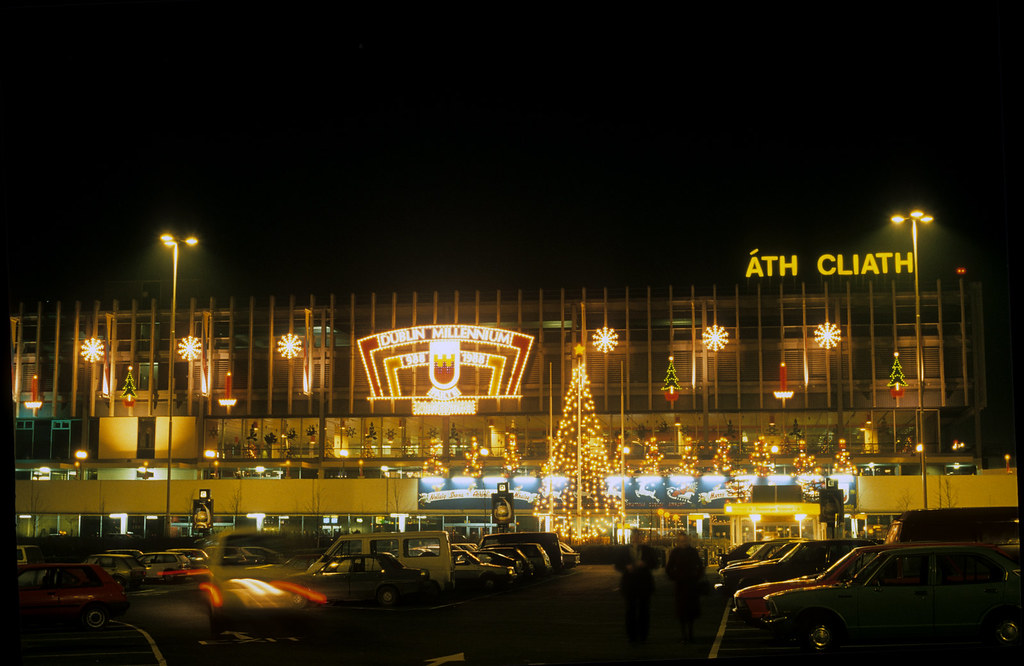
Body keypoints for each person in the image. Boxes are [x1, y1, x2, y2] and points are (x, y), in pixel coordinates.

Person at [614, 530, 660, 643]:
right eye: (634, 536)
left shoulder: (648, 550)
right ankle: (632, 635)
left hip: (644, 584)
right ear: (631, 537)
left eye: (638, 536)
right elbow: (617, 565)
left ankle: (643, 635)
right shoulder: (624, 551)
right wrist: (626, 567)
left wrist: (645, 564)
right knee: (631, 610)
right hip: (630, 584)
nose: (636, 538)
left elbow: (655, 564)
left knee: (644, 610)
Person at [665, 533, 705, 643]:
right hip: (681, 585)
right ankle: (684, 634)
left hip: (691, 584)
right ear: (678, 542)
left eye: (685, 541)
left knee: (690, 610)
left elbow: (700, 566)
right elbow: (669, 568)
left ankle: (690, 633)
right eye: (682, 541)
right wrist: (675, 577)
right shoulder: (676, 552)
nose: (684, 543)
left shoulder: (692, 552)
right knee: (682, 611)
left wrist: (696, 577)